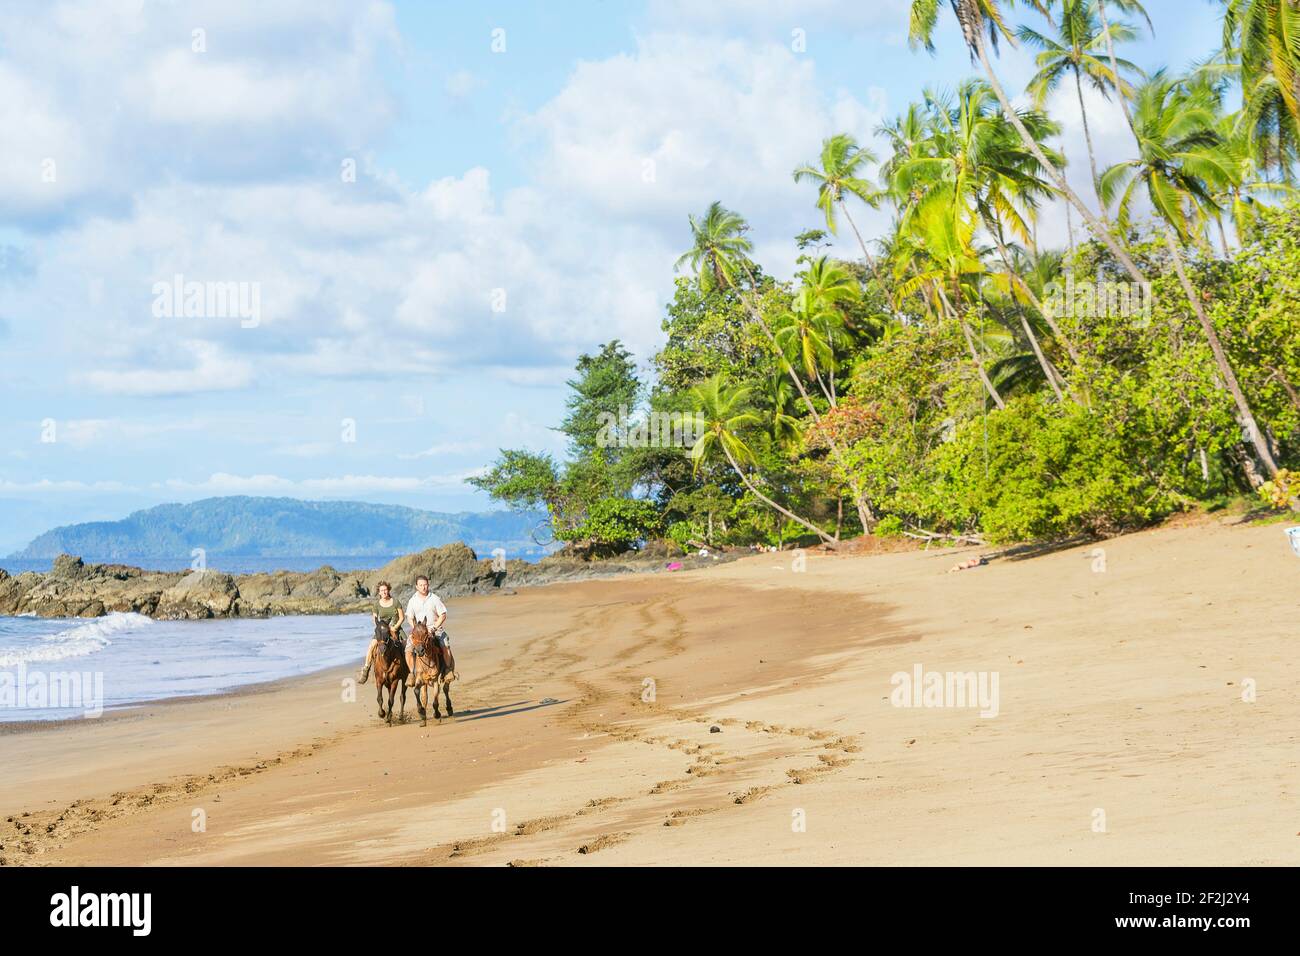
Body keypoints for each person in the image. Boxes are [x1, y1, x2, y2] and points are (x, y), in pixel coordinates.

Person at [404, 573, 447, 687]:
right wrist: (414, 628)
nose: (423, 587)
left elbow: (443, 615)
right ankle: (412, 673)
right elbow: (409, 617)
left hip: (434, 628)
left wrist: (434, 627)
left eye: (425, 585)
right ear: (416, 586)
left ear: (428, 585)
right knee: (408, 650)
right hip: (419, 632)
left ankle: (448, 671)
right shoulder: (412, 601)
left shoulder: (434, 598)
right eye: (421, 585)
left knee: (445, 645)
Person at [357, 581, 403, 685]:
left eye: (386, 590)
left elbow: (401, 618)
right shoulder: (377, 605)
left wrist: (395, 627)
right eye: (382, 590)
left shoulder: (395, 602)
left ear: (389, 590)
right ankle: (366, 669)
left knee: (405, 645)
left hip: (395, 629)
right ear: (379, 592)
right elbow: (374, 619)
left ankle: (409, 671)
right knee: (371, 646)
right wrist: (381, 628)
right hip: (382, 630)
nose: (384, 592)